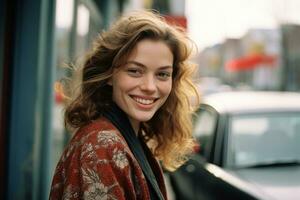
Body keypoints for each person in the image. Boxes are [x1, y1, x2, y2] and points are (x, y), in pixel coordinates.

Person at [49, 10, 199, 200]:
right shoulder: (102, 145)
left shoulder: (124, 134)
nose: (150, 87)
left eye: (162, 74)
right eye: (135, 71)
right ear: (110, 75)